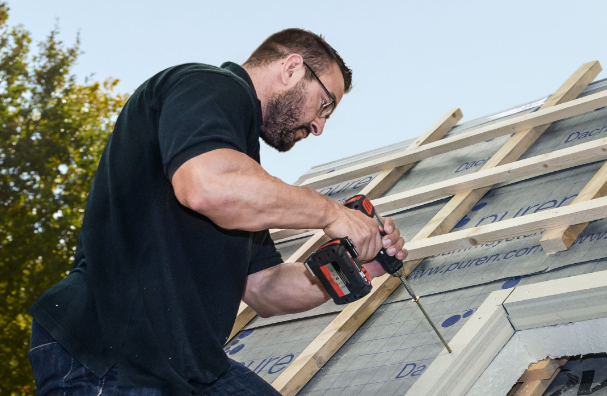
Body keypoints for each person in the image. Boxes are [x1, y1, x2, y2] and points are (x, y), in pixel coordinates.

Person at [27, 28, 406, 395]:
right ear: (291, 68)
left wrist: (360, 265)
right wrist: (330, 212)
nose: (319, 126)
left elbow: (264, 289)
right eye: (325, 104)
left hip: (192, 366)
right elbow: (206, 187)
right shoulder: (208, 85)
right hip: (113, 349)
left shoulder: (243, 173)